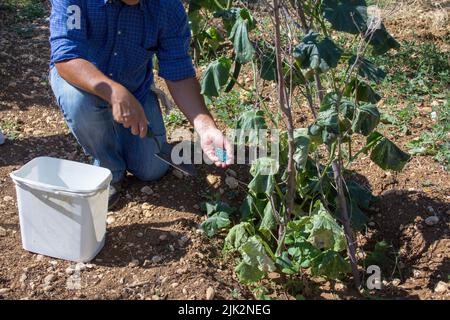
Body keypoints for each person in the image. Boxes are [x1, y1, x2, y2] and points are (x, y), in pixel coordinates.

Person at [49, 0, 233, 208]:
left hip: (135, 89)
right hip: (82, 83)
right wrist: (114, 92)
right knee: (78, 102)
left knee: (151, 169)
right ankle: (109, 167)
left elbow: (178, 70)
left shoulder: (167, 7)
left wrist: (206, 127)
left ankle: (117, 128)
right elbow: (66, 56)